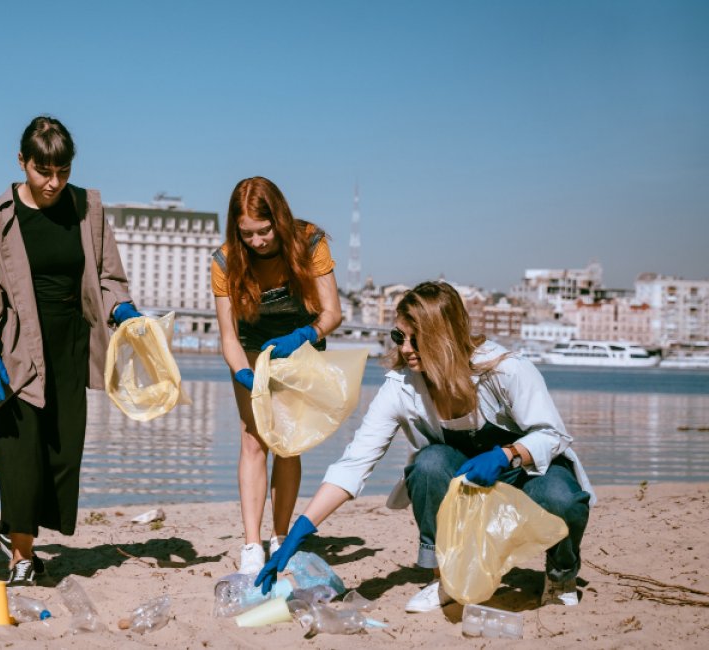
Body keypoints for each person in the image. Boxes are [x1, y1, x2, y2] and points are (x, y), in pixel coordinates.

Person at [254, 281, 595, 611]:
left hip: (524, 474)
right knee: (429, 463)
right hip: (465, 486)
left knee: (562, 498)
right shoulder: (401, 387)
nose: (404, 349)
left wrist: (508, 453)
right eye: (399, 337)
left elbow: (553, 435)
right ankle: (444, 576)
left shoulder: (507, 370)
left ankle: (560, 577)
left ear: (445, 337)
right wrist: (298, 532)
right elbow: (354, 464)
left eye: (417, 340)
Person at [0, 115, 138, 587]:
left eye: (62, 172)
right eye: (43, 172)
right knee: (21, 454)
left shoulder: (87, 208)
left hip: (71, 346)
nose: (53, 183)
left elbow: (108, 276)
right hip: (14, 347)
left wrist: (125, 310)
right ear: (22, 162)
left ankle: (9, 530)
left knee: (60, 454)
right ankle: (21, 556)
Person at [212, 176, 342, 575]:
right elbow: (228, 337)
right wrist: (243, 372)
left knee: (287, 443)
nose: (257, 241)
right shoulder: (225, 260)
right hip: (251, 343)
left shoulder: (310, 241)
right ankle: (252, 544)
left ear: (279, 220)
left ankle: (280, 534)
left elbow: (332, 313)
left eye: (264, 231)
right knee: (253, 439)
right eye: (247, 233)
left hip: (300, 342)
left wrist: (306, 335)